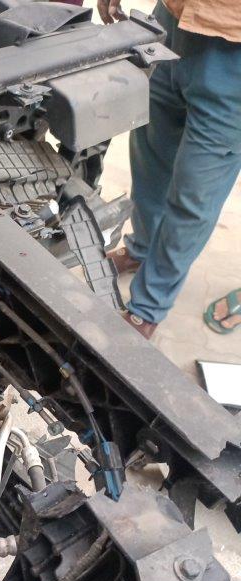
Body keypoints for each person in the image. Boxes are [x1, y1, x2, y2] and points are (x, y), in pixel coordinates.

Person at [98, 0, 241, 339]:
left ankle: (148, 306)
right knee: (149, 156)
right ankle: (142, 249)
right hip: (171, 20)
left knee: (195, 191)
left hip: (233, 48)